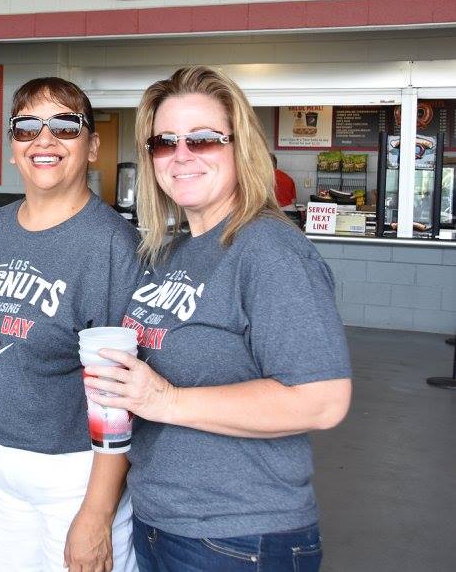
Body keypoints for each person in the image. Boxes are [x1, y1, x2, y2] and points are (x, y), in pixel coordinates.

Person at [85, 66, 352, 571]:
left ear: (239, 148)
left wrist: (165, 399)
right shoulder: (169, 253)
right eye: (164, 142)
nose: (181, 155)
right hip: (161, 522)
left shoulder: (267, 248)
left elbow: (323, 401)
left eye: (203, 140)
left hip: (241, 537)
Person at [0, 77, 138, 572]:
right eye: (27, 127)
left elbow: (119, 395)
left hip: (72, 475)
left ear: (91, 146)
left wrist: (97, 512)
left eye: (65, 126)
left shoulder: (112, 245)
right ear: (12, 146)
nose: (44, 140)